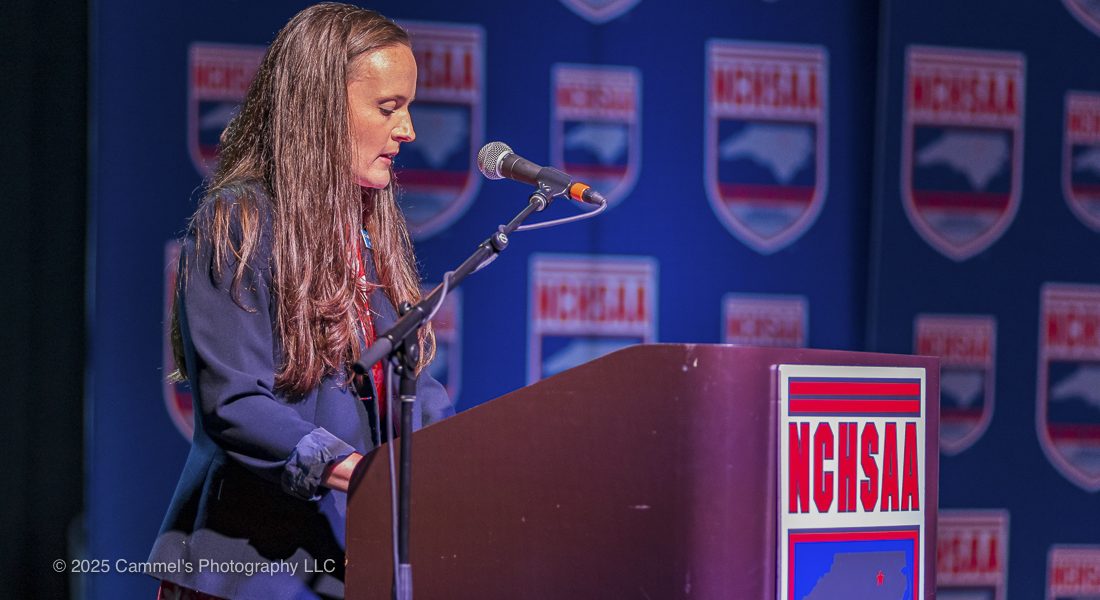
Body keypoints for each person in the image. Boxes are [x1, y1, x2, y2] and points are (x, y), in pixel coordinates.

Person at [148, 4, 453, 599]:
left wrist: (470, 459)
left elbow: (407, 391)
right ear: (321, 108)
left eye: (408, 107)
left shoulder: (370, 234)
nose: (408, 130)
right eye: (388, 107)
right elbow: (236, 403)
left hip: (342, 566)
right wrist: (356, 471)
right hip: (247, 569)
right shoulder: (240, 223)